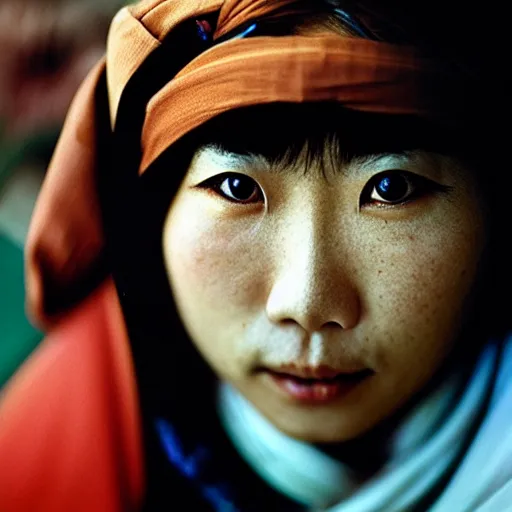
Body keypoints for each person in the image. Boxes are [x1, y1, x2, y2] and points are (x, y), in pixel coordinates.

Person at [0, 1, 511, 511]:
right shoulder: (33, 471)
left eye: (392, 188)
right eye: (236, 186)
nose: (306, 304)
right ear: (153, 217)